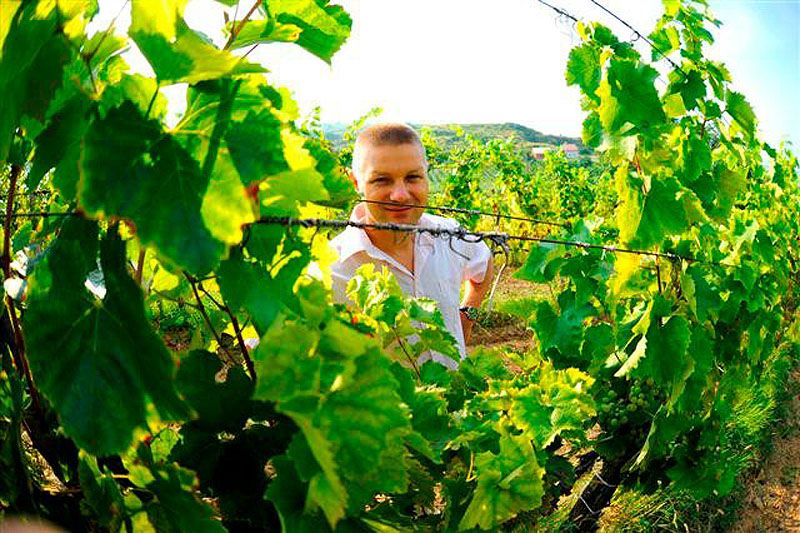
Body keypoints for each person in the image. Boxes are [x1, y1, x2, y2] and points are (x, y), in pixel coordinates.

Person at [329, 123, 494, 369]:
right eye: (381, 180)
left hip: (462, 406)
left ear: (427, 176)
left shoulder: (449, 235)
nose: (400, 195)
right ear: (356, 183)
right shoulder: (332, 270)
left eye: (412, 177)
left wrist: (466, 316)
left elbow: (485, 262)